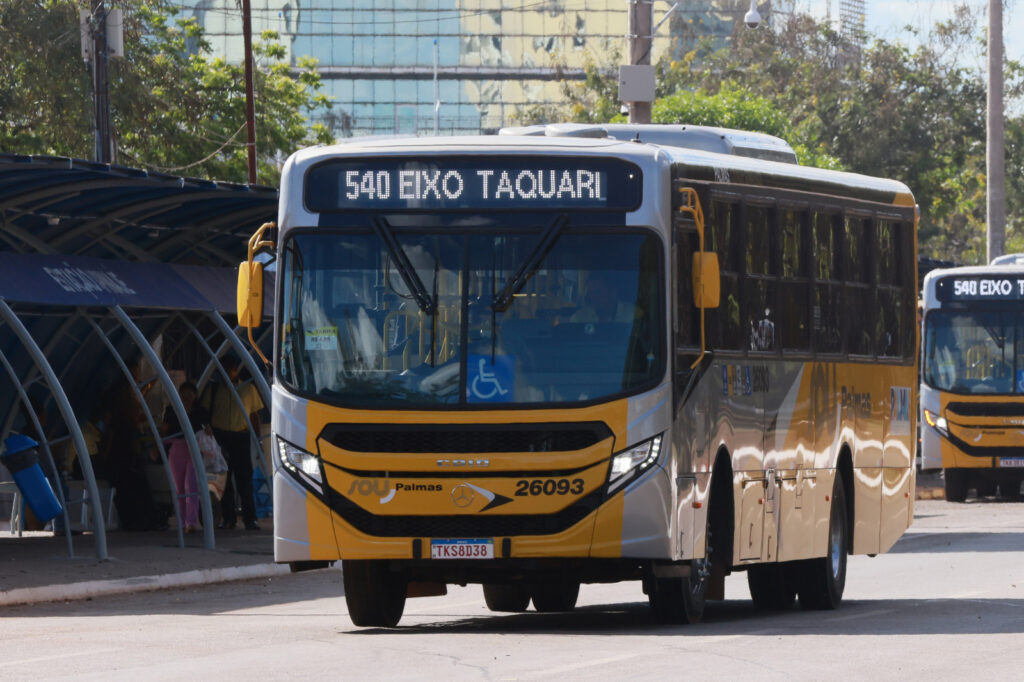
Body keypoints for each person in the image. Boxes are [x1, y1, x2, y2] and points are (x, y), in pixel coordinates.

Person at [200, 356, 263, 530]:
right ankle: (228, 518)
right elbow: (204, 413)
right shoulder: (213, 390)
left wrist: (258, 440)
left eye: (230, 370)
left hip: (240, 437)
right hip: (220, 438)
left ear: (236, 370)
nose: (226, 374)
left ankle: (250, 519)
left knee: (245, 480)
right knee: (224, 481)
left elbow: (254, 416)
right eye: (223, 370)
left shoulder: (248, 389)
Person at [161, 381, 210, 534]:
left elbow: (208, 429)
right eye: (184, 393)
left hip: (195, 449)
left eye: (190, 393)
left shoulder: (200, 411)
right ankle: (182, 521)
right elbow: (165, 430)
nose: (187, 397)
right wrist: (158, 447)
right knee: (179, 488)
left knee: (192, 485)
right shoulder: (172, 410)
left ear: (195, 395)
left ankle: (191, 522)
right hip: (177, 448)